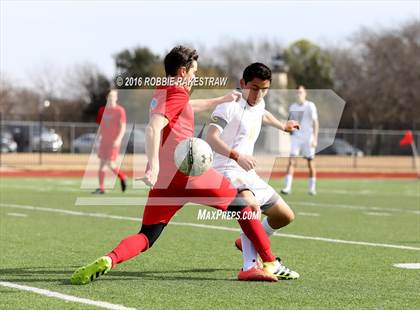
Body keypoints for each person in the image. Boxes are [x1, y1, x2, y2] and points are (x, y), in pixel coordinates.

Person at [71, 46, 285, 285]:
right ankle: (266, 262)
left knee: (146, 236)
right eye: (194, 71)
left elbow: (187, 106)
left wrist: (220, 99)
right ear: (183, 71)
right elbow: (153, 128)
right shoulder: (177, 93)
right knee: (245, 206)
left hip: (166, 183)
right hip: (189, 172)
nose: (196, 76)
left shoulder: (164, 90)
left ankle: (110, 259)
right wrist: (152, 166)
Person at [206, 62, 300, 280]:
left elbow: (263, 113)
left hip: (246, 172)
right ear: (243, 84)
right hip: (226, 169)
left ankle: (247, 239)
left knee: (285, 216)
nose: (259, 93)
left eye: (265, 89)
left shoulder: (260, 101)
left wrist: (283, 126)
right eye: (255, 88)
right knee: (251, 206)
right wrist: (236, 156)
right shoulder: (228, 105)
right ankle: (250, 266)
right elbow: (211, 138)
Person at [281, 85, 319, 195]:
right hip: (296, 138)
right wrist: (289, 133)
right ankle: (287, 187)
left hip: (308, 138)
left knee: (310, 163)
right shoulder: (292, 107)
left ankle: (312, 188)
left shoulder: (310, 106)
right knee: (291, 161)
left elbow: (316, 122)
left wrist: (315, 138)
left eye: (301, 92)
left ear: (305, 93)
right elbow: (291, 123)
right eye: (297, 92)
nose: (299, 94)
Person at [93, 90, 127, 194]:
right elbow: (100, 126)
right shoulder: (102, 110)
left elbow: (123, 127)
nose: (111, 98)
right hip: (104, 142)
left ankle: (122, 177)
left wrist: (118, 139)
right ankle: (101, 188)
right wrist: (97, 138)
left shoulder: (120, 110)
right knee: (102, 164)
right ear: (107, 97)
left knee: (110, 163)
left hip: (113, 142)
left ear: (116, 98)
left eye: (113, 96)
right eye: (110, 96)